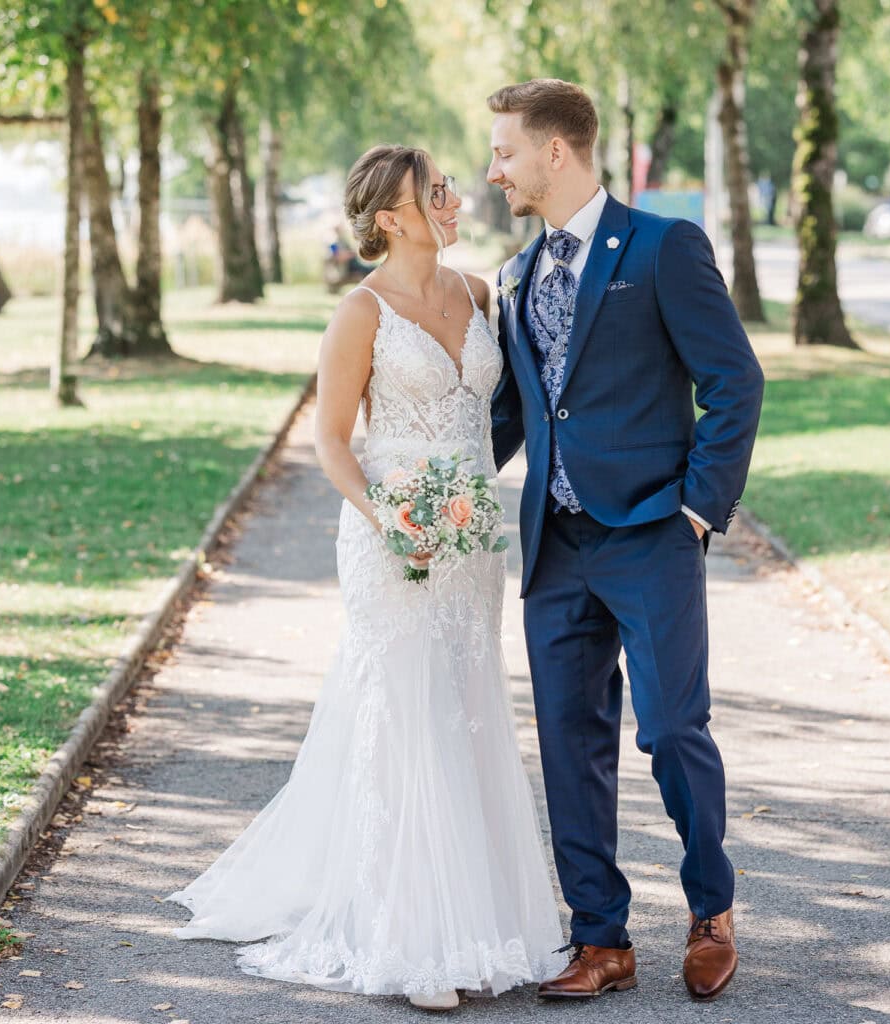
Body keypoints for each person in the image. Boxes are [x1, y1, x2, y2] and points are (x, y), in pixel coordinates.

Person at [165, 145, 563, 1012]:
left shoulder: (482, 295)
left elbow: (502, 413)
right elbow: (332, 443)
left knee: (464, 701)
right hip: (388, 532)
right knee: (405, 709)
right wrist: (390, 515)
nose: (456, 198)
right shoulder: (359, 313)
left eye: (452, 186)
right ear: (391, 216)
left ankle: (478, 922)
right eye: (437, 191)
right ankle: (411, 936)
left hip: (470, 539)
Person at [485, 78, 765, 1002]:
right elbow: (517, 413)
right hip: (554, 547)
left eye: (506, 152)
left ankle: (711, 910)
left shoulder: (663, 247)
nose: (496, 171)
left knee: (675, 729)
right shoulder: (516, 273)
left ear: (554, 152)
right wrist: (429, 493)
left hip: (651, 532)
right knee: (568, 741)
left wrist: (695, 506)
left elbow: (735, 382)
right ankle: (599, 938)